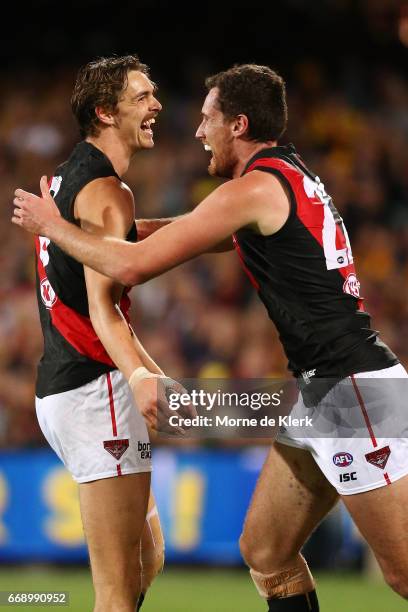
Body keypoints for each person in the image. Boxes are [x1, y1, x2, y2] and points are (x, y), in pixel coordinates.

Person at [13, 63, 408, 610]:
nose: (198, 131)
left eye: (208, 120)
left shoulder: (249, 190)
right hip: (323, 392)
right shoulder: (284, 178)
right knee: (267, 553)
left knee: (404, 574)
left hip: (355, 393)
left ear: (238, 125)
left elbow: (132, 267)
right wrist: (105, 227)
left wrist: (52, 226)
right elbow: (186, 232)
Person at [11, 54, 194, 612]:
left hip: (66, 389)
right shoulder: (109, 192)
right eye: (141, 97)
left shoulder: (69, 181)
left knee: (146, 559)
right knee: (116, 593)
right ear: (104, 112)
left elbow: (128, 245)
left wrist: (225, 230)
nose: (156, 104)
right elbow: (101, 306)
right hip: (97, 392)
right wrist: (143, 374)